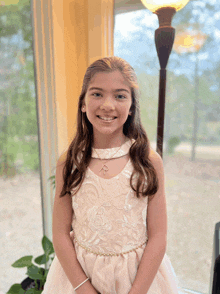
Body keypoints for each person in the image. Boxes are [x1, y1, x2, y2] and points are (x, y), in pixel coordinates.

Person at [42, 56, 180, 294]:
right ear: (83, 103)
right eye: (97, 94)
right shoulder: (69, 162)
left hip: (140, 279)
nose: (108, 105)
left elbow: (158, 236)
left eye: (119, 95)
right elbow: (60, 233)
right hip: (79, 279)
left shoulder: (148, 161)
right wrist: (84, 289)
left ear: (132, 106)